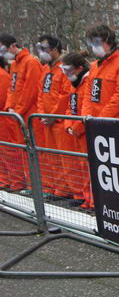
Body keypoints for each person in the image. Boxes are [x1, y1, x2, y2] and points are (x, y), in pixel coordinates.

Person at [0, 33, 43, 192]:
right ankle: (32, 184)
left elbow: (30, 91)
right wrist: (10, 108)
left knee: (36, 151)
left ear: (12, 45)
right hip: (18, 115)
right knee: (25, 151)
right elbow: (12, 90)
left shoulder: (30, 62)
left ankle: (41, 185)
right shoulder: (15, 65)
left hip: (29, 115)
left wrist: (16, 110)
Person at [35, 35, 73, 199]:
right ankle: (59, 189)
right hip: (48, 121)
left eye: (46, 49)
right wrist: (43, 113)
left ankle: (68, 189)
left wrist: (53, 115)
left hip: (59, 121)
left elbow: (65, 95)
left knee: (65, 158)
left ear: (56, 49)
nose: (42, 53)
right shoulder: (46, 69)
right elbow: (41, 93)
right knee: (52, 157)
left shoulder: (63, 68)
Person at [82, 25, 119, 122]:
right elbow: (88, 95)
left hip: (116, 122)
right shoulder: (94, 66)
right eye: (91, 43)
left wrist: (102, 118)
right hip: (95, 121)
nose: (93, 46)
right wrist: (86, 116)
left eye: (97, 42)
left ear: (109, 42)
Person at [61, 52, 94, 210]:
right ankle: (86, 198)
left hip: (85, 131)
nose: (67, 74)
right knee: (82, 166)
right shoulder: (73, 83)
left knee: (89, 166)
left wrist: (77, 127)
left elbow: (88, 108)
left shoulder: (88, 82)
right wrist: (69, 125)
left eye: (69, 70)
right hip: (76, 131)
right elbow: (70, 106)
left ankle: (92, 201)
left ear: (79, 68)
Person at [0, 56, 11, 189]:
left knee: (7, 151)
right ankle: (5, 179)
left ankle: (12, 181)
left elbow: (2, 99)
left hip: (4, 119)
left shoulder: (2, 75)